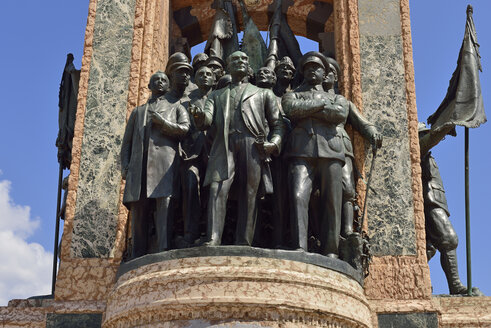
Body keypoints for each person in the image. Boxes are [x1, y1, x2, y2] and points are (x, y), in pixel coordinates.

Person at [192, 51, 284, 246]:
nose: (240, 61)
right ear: (228, 66)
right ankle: (213, 238)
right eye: (235, 59)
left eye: (244, 59)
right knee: (217, 188)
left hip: (252, 145)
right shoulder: (216, 95)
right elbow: (207, 119)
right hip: (224, 145)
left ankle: (243, 241)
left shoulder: (263, 93)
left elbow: (278, 125)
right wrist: (199, 117)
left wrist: (274, 143)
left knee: (249, 194)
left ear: (249, 66)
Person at [282, 51, 349, 257]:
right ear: (302, 72)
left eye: (317, 67)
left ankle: (331, 250)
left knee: (332, 202)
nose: (312, 70)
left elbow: (339, 114)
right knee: (298, 196)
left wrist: (308, 109)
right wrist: (321, 105)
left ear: (324, 72)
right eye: (308, 67)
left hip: (331, 152)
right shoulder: (291, 94)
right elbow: (291, 110)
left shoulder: (338, 97)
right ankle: (299, 245)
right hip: (301, 151)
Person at [121, 71, 190, 259]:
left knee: (164, 208)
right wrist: (125, 167)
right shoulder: (138, 112)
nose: (159, 82)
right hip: (139, 167)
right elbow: (126, 143)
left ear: (168, 86)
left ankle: (163, 250)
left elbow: (185, 129)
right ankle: (137, 254)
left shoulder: (176, 107)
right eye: (156, 80)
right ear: (149, 86)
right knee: (139, 212)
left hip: (164, 166)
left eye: (163, 80)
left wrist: (164, 123)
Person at [419, 122, 482, 295]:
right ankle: (455, 285)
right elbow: (432, 138)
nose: (425, 136)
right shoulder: (418, 148)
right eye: (422, 134)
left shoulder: (428, 156)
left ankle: (420, 284)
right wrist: (449, 123)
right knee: (449, 238)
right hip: (429, 202)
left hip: (435, 202)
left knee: (428, 248)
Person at [178, 66, 215, 247]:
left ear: (214, 79)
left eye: (209, 74)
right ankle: (190, 232)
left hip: (214, 153)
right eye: (201, 74)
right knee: (191, 187)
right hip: (190, 153)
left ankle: (210, 234)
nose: (205, 77)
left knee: (212, 193)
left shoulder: (219, 98)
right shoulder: (184, 102)